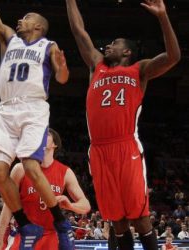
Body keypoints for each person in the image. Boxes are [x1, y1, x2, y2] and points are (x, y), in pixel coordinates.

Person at [66, 0, 180, 249]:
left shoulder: (140, 70)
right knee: (116, 221)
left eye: (114, 44)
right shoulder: (96, 65)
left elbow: (174, 56)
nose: (107, 46)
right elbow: (78, 31)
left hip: (126, 146)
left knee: (140, 218)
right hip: (98, 150)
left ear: (127, 52)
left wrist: (162, 16)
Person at [0, 0, 70, 248]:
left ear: (37, 26)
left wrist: (63, 66)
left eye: (25, 17)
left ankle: (61, 224)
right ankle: (25, 223)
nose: (19, 20)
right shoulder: (8, 38)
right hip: (5, 109)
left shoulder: (48, 46)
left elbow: (62, 78)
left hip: (33, 107)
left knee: (30, 167)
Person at [0, 129, 90, 250]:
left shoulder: (65, 172)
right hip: (25, 235)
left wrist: (70, 205)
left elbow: (86, 205)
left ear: (54, 144)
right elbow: (8, 207)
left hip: (51, 235)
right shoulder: (21, 169)